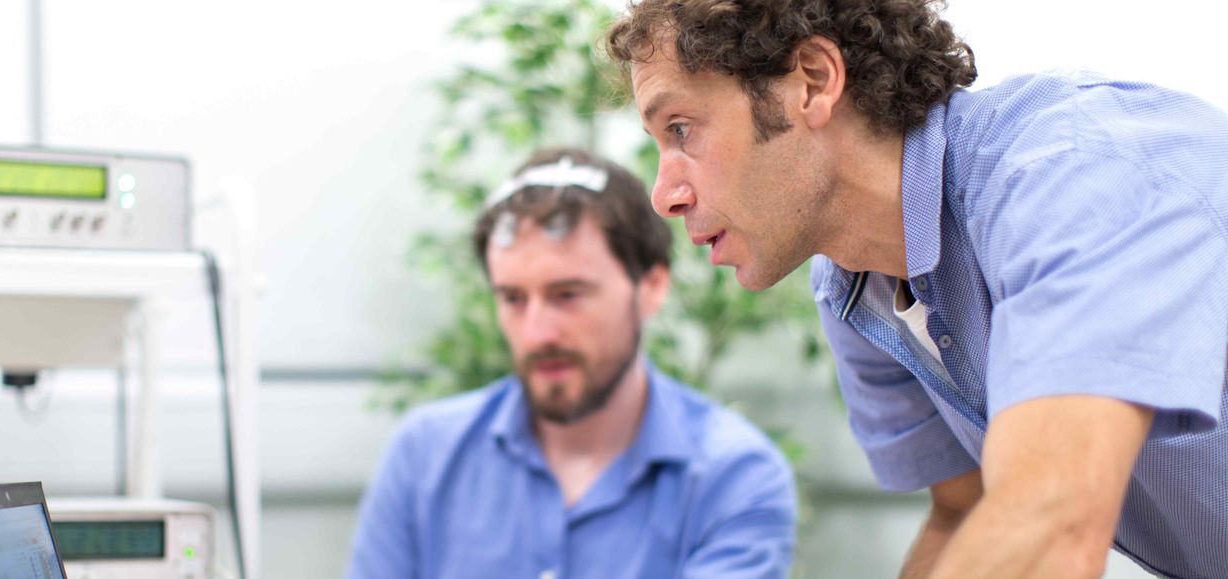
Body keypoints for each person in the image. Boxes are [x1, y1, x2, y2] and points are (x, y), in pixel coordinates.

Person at [607, 0, 1228, 577]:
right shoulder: (855, 286)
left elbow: (1049, 527)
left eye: (682, 129)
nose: (665, 196)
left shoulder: (1074, 169)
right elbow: (966, 511)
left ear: (813, 81)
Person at [347, 148, 796, 578]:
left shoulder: (734, 478)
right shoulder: (425, 457)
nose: (538, 333)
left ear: (652, 287)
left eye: (567, 295)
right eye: (513, 298)